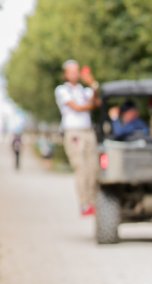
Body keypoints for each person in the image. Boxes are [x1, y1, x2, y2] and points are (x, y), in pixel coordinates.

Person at [54, 59, 100, 216]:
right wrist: (90, 105)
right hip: (73, 132)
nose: (75, 74)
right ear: (66, 74)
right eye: (71, 71)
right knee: (81, 168)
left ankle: (93, 202)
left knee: (93, 168)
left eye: (77, 71)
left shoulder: (84, 90)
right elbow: (78, 107)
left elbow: (97, 101)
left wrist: (93, 84)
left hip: (88, 131)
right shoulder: (62, 90)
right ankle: (84, 203)